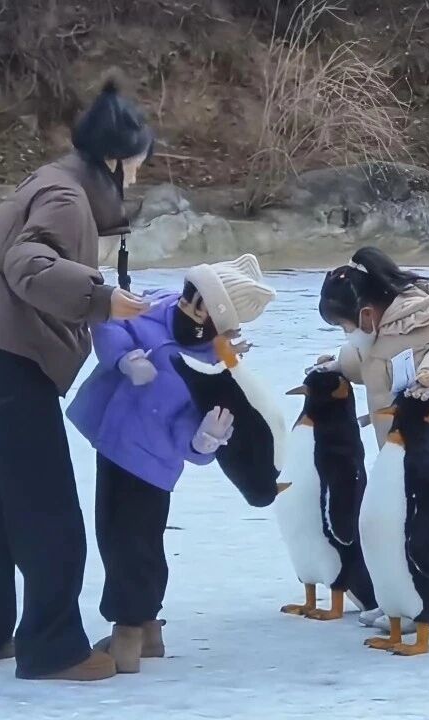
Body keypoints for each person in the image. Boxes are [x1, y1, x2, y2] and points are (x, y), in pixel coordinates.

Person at [0, 77, 154, 681]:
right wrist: (100, 298)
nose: (138, 176)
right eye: (137, 164)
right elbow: (28, 263)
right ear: (115, 159)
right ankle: (53, 648)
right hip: (11, 366)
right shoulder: (67, 199)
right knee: (49, 514)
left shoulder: (50, 180)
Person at [66, 255, 275, 674]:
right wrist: (125, 359)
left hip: (152, 463)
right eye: (188, 297)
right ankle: (147, 629)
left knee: (134, 542)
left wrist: (204, 440)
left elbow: (192, 430)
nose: (186, 307)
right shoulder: (156, 306)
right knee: (119, 535)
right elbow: (110, 322)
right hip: (114, 442)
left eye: (200, 307)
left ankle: (127, 634)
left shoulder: (209, 369)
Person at [315, 246, 429, 468]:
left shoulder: (419, 324)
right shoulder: (381, 331)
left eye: (345, 326)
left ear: (366, 314)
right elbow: (370, 359)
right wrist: (340, 365)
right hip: (407, 445)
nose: (347, 334)